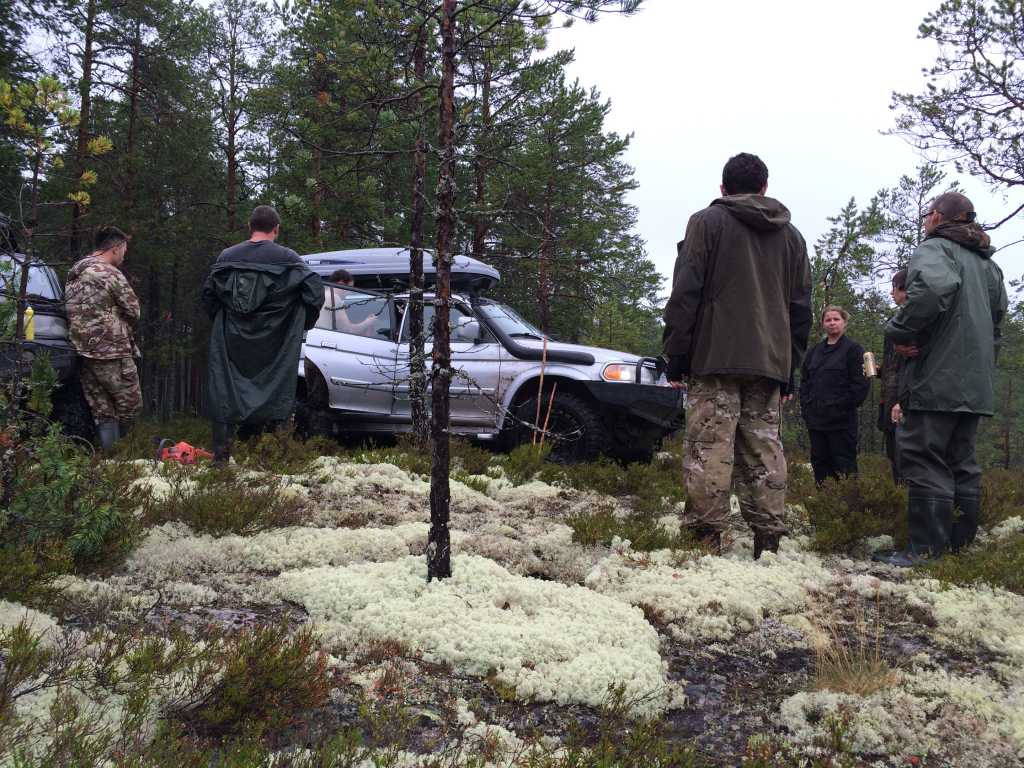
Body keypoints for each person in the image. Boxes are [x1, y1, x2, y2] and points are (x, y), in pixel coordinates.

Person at [663, 152, 813, 558]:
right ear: (764, 188)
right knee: (764, 450)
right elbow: (801, 311)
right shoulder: (792, 237)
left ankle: (706, 540)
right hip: (769, 362)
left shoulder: (706, 223)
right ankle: (768, 541)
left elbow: (686, 292)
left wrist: (675, 354)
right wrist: (789, 368)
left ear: (723, 189)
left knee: (709, 447)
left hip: (714, 360)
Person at [876, 192, 1007, 567]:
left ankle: (926, 551)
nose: (924, 223)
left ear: (936, 218)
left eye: (926, 216)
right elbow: (997, 321)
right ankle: (959, 550)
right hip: (976, 383)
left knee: (923, 456)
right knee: (962, 461)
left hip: (936, 378)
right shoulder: (990, 266)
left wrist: (899, 331)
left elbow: (931, 292)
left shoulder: (935, 250)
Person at [201, 205, 324, 463]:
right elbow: (315, 293)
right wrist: (299, 323)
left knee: (225, 390)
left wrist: (224, 321)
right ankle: (272, 459)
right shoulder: (289, 259)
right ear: (276, 229)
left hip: (230, 341)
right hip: (276, 343)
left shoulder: (226, 257)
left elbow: (209, 294)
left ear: (250, 226)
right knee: (277, 390)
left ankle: (221, 459)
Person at [64, 226, 142, 451]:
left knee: (102, 409)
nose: (124, 255)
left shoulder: (74, 273)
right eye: (124, 249)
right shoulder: (109, 273)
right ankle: (124, 462)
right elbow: (134, 310)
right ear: (116, 248)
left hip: (82, 352)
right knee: (130, 406)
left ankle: (110, 462)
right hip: (112, 351)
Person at [799, 306, 871, 486]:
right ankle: (824, 508)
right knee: (820, 464)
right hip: (816, 422)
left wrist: (840, 407)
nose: (832, 323)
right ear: (823, 324)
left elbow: (860, 386)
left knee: (844, 466)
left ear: (844, 322)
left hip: (842, 423)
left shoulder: (853, 350)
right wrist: (807, 408)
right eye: (828, 320)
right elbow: (805, 382)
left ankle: (848, 509)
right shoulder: (814, 352)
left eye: (836, 319)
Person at [878, 269, 909, 484]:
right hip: (890, 400)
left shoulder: (913, 320)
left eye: (894, 287)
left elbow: (912, 365)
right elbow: (896, 365)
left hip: (904, 401)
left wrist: (902, 400)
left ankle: (907, 508)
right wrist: (880, 371)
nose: (891, 293)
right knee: (894, 456)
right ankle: (898, 505)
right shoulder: (897, 319)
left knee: (905, 458)